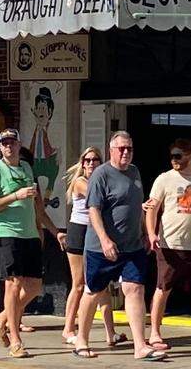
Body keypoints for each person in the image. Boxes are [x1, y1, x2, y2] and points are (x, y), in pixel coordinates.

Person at [73, 131, 165, 361]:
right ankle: (81, 340)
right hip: (101, 247)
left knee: (135, 289)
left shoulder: (134, 172)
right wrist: (104, 239)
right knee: (93, 292)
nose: (125, 152)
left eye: (129, 148)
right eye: (121, 148)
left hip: (132, 246)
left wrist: (145, 232)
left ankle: (140, 346)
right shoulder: (101, 175)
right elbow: (93, 210)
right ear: (111, 150)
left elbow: (133, 206)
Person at [0, 127, 63, 359]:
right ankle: (15, 340)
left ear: (18, 145)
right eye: (4, 143)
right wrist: (15, 196)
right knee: (13, 283)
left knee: (34, 286)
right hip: (6, 232)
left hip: (30, 234)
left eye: (12, 142)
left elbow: (38, 208)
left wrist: (54, 232)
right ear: (1, 147)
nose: (8, 146)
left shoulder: (27, 168)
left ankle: (1, 318)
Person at [144, 138, 191, 350]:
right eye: (172, 156)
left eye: (178, 156)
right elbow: (152, 208)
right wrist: (151, 234)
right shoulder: (164, 179)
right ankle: (155, 333)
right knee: (163, 288)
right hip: (170, 244)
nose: (174, 160)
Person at [61, 147, 125, 348]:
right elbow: (100, 197)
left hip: (96, 233)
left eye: (95, 160)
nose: (90, 163)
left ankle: (111, 333)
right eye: (87, 160)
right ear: (82, 163)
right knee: (79, 284)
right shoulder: (81, 182)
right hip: (79, 232)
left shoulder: (102, 181)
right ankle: (68, 328)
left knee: (101, 284)